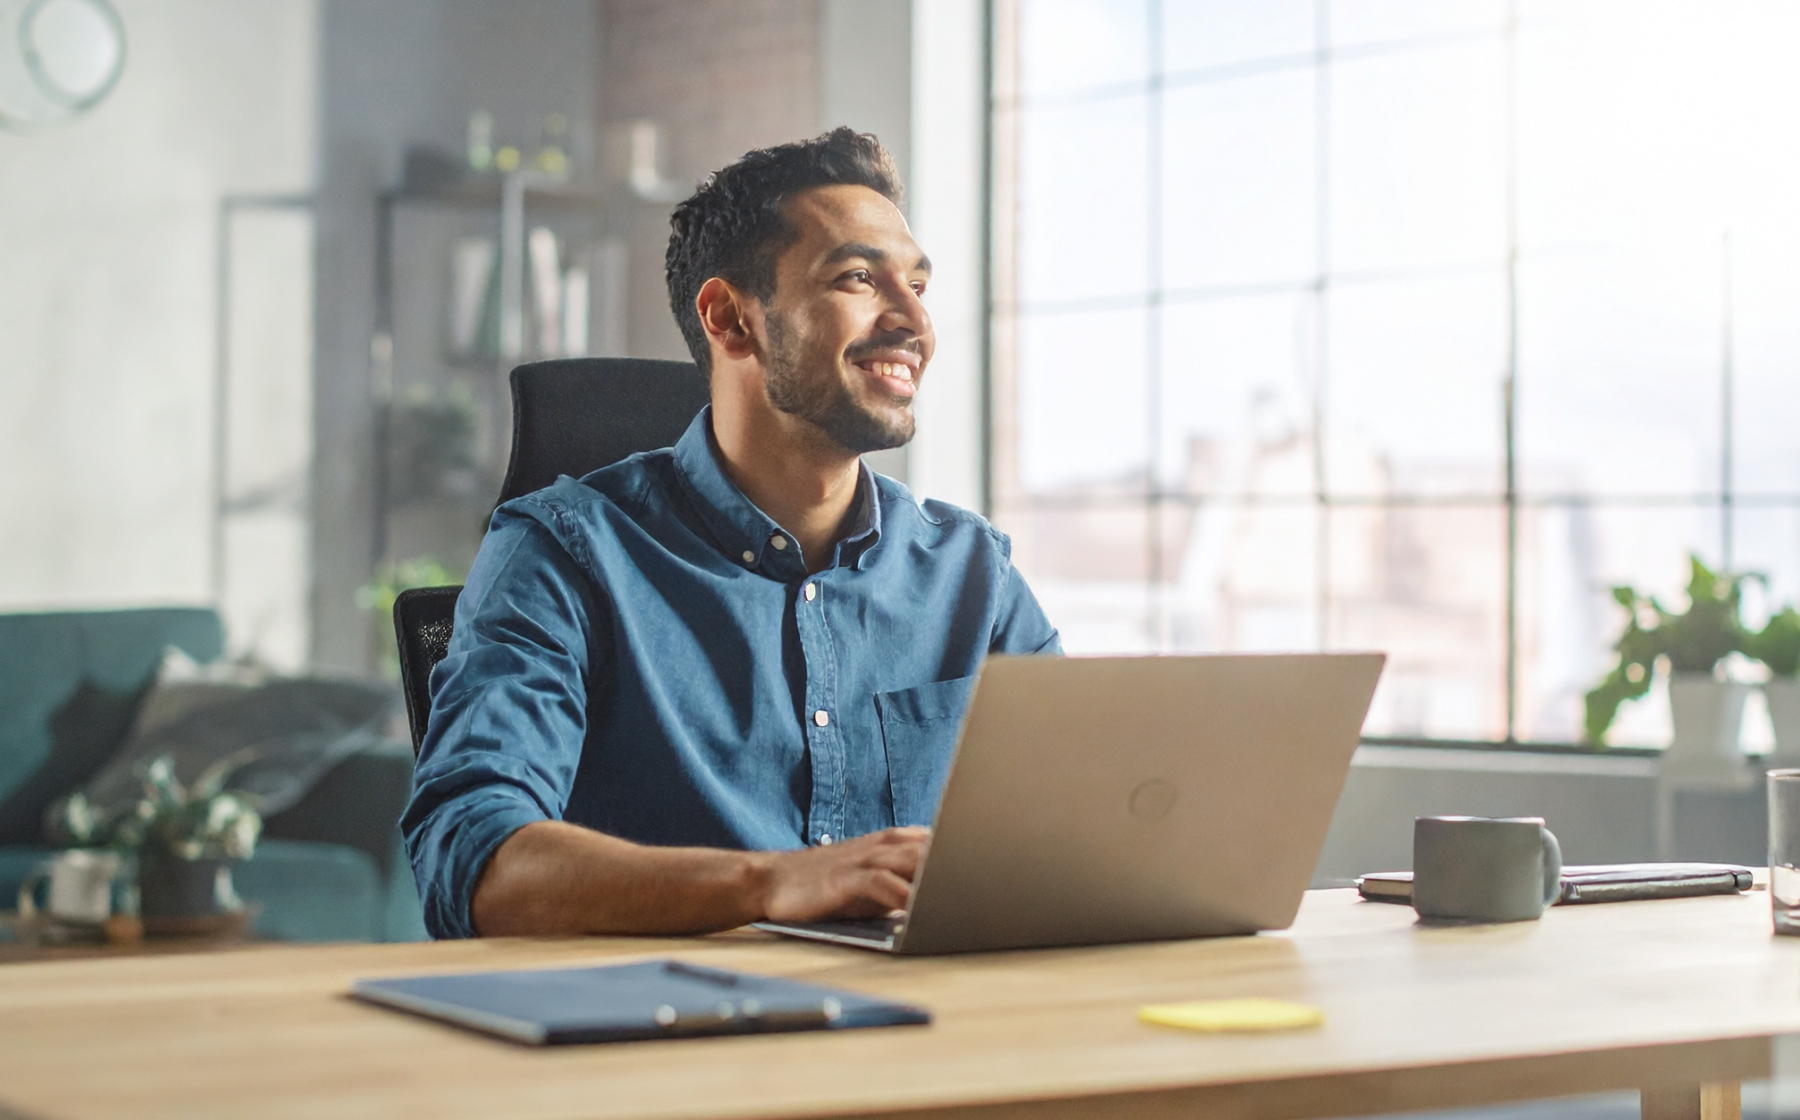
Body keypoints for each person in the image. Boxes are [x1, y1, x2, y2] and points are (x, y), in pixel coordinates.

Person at [403, 128, 1059, 939]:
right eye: (859, 278)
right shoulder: (565, 553)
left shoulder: (972, 574)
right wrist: (770, 884)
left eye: (918, 284)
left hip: (926, 1036)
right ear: (730, 319)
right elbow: (474, 864)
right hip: (663, 1039)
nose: (913, 320)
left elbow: (1085, 831)